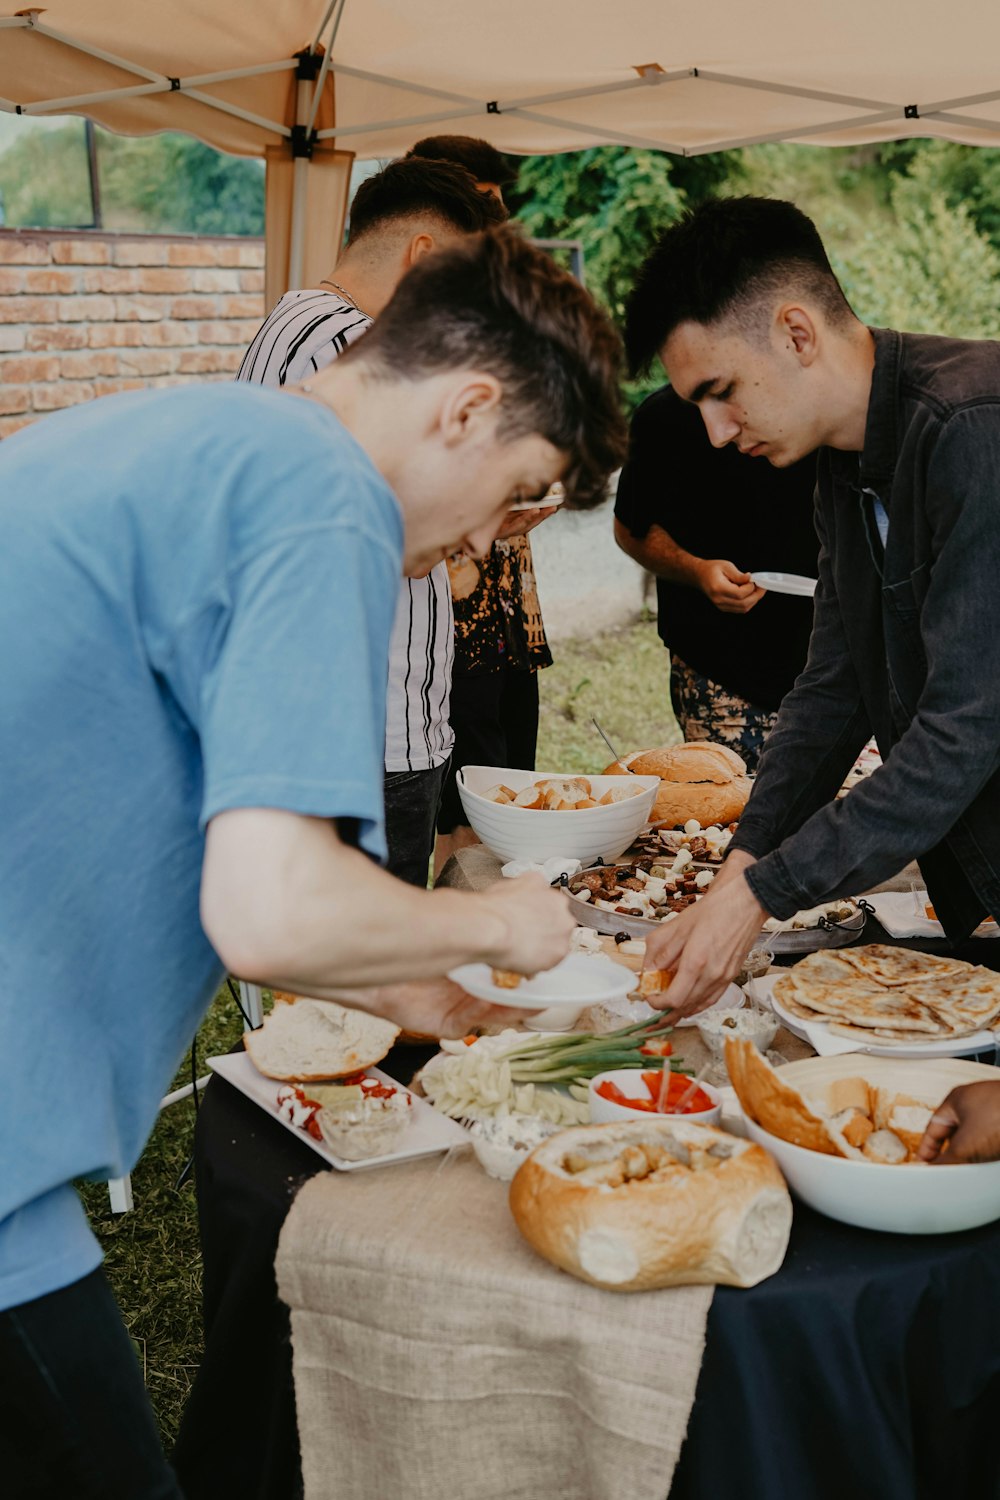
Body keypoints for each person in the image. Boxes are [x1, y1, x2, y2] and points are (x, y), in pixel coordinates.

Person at [0, 224, 628, 1496]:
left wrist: (417, 993)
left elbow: (213, 834)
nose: (486, 547)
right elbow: (272, 913)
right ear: (467, 406)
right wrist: (499, 927)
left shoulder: (194, 436)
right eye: (520, 493)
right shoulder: (317, 492)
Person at [619, 195, 1000, 1046]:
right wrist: (743, 866)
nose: (715, 433)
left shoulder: (975, 432)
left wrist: (764, 894)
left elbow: (965, 728)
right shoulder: (839, 462)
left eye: (719, 393)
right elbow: (833, 687)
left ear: (797, 333)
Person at [238, 155, 505, 886]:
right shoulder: (345, 339)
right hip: (361, 728)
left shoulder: (306, 325)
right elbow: (380, 529)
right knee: (356, 983)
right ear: (423, 256)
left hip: (359, 722)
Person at [403, 137, 559, 873]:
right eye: (479, 202)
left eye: (497, 204)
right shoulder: (400, 326)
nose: (492, 220)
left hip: (501, 593)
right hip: (435, 600)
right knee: (453, 792)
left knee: (507, 778)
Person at [614, 382, 818, 771]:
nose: (721, 431)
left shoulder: (833, 405)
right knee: (731, 821)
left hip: (845, 667)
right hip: (723, 676)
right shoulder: (665, 415)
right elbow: (630, 529)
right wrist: (697, 570)